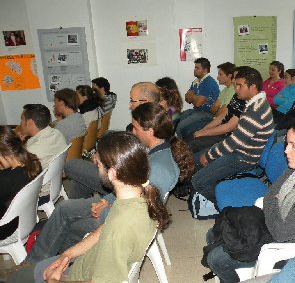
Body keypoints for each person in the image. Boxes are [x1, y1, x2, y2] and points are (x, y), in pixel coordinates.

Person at [25, 102, 193, 265]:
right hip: (119, 206)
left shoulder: (157, 167)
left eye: (135, 128)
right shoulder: (159, 152)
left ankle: (38, 263)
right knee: (65, 206)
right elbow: (134, 189)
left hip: (117, 220)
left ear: (149, 130)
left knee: (67, 219)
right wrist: (106, 200)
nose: (132, 132)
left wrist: (106, 208)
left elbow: (137, 210)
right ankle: (47, 257)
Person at [8, 131, 170, 283]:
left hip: (80, 276)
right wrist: (66, 255)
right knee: (21, 274)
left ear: (112, 173)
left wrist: (52, 280)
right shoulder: (137, 197)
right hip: (85, 261)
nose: (96, 166)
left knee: (16, 279)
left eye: (98, 164)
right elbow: (102, 231)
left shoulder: (120, 228)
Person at [205, 117, 295, 282]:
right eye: (287, 143)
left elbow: (281, 232)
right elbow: (271, 195)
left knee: (216, 259)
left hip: (287, 250)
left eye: (293, 145)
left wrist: (273, 204)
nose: (286, 151)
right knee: (213, 234)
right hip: (271, 228)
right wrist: (274, 204)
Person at [64, 82, 163, 198]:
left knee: (71, 165)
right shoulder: (157, 119)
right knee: (80, 180)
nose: (129, 105)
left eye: (132, 100)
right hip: (123, 169)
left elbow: (129, 157)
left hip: (123, 180)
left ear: (144, 102)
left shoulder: (147, 129)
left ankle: (97, 204)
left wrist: (103, 158)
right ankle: (78, 210)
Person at [192, 67, 274, 203]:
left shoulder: (255, 110)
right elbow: (235, 140)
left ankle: (228, 206)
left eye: (240, 86)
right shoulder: (254, 103)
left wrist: (209, 155)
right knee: (195, 160)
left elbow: (234, 142)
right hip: (239, 150)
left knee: (198, 181)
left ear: (252, 87)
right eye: (236, 85)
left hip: (244, 158)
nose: (236, 89)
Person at [186, 66, 247, 153]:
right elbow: (220, 114)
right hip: (221, 127)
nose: (233, 81)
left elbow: (228, 126)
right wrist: (204, 130)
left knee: (193, 143)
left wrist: (204, 132)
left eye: (236, 79)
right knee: (190, 134)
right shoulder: (236, 96)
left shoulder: (245, 99)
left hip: (231, 141)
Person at [0, 126, 42, 240]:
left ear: (6, 153)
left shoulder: (7, 180)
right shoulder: (33, 162)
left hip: (7, 227)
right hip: (24, 218)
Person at [19, 104, 67, 198]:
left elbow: (17, 172)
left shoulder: (32, 150)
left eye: (22, 119)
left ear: (30, 123)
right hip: (56, 184)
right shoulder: (57, 133)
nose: (20, 123)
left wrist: (17, 147)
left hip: (40, 193)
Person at [175, 57, 220, 138]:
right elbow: (187, 99)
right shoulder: (196, 81)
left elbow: (198, 103)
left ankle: (180, 147)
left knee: (180, 127)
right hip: (197, 110)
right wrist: (195, 98)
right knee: (177, 118)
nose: (194, 70)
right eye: (195, 67)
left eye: (197, 68)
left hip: (207, 113)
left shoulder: (208, 82)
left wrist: (193, 97)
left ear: (205, 70)